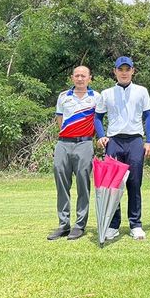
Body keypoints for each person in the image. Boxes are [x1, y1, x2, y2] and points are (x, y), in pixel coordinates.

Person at [95, 56, 150, 241]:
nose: (124, 73)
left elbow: (149, 117)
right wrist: (101, 135)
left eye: (127, 69)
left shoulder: (141, 91)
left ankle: (135, 224)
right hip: (114, 141)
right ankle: (113, 225)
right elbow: (97, 117)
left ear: (132, 71)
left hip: (135, 141)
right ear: (115, 71)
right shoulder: (106, 93)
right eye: (121, 69)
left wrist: (149, 140)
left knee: (134, 184)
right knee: (113, 185)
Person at [47, 66, 100, 241]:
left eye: (83, 76)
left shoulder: (96, 97)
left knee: (83, 183)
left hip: (84, 143)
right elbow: (60, 119)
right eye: (76, 75)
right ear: (72, 78)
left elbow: (99, 120)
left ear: (89, 78)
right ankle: (63, 225)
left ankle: (79, 225)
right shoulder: (63, 96)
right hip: (63, 143)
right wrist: (66, 134)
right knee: (62, 183)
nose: (80, 78)